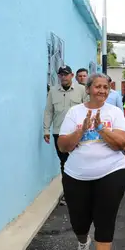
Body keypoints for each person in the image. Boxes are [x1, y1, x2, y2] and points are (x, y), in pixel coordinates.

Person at [57, 73, 125, 250]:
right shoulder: (74, 112)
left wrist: (101, 129)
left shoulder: (115, 112)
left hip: (111, 172)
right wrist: (81, 130)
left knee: (105, 221)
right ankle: (82, 242)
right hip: (76, 175)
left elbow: (123, 142)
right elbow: (63, 146)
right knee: (79, 221)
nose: (102, 91)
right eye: (97, 87)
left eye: (106, 87)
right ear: (87, 89)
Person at [44, 65, 86, 205]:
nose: (64, 77)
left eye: (66, 74)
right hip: (59, 133)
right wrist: (46, 130)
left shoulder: (81, 90)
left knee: (79, 162)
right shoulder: (53, 91)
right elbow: (49, 111)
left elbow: (87, 109)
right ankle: (69, 194)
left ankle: (82, 191)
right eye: (61, 74)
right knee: (65, 164)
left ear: (72, 75)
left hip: (77, 133)